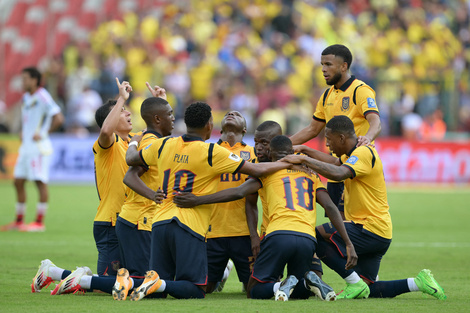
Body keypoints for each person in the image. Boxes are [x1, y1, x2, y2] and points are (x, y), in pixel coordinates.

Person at [122, 102, 294, 300]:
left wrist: (135, 141)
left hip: (161, 221)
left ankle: (133, 282)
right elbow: (257, 172)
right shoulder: (212, 152)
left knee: (159, 291)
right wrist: (295, 160)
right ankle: (157, 282)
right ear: (210, 126)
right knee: (197, 289)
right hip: (192, 225)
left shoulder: (164, 145)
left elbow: (132, 160)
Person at [173, 135, 357, 301]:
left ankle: (281, 285)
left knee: (254, 290)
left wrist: (198, 200)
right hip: (307, 239)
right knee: (298, 293)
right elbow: (331, 207)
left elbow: (238, 192)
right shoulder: (311, 175)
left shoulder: (267, 172)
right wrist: (348, 243)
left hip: (279, 235)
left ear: (270, 153)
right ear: (292, 153)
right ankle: (307, 283)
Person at [283, 115, 446, 300]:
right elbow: (335, 163)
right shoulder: (352, 154)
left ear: (342, 138)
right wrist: (305, 149)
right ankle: (418, 283)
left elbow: (339, 173)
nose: (328, 144)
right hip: (380, 232)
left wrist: (304, 161)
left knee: (315, 236)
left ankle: (353, 283)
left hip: (367, 227)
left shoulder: (362, 153)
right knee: (370, 290)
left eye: (329, 139)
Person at [31, 83, 172, 298]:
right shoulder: (108, 143)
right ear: (112, 119)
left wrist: (161, 102)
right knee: (107, 284)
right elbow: (106, 130)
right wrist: (121, 99)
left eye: (126, 110)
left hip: (133, 222)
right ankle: (56, 272)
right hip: (110, 223)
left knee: (133, 279)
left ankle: (60, 273)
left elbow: (161, 131)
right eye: (123, 112)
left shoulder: (134, 141)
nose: (128, 114)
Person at [290, 44, 382, 217]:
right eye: (322, 64)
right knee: (336, 226)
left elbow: (375, 121)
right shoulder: (326, 95)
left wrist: (367, 138)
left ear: (343, 66)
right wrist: (282, 145)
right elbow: (312, 129)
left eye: (328, 64)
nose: (323, 69)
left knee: (354, 223)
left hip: (355, 167)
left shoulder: (360, 91)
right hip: (335, 167)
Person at [1, 67, 64, 232]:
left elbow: (58, 118)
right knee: (18, 182)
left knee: (39, 182)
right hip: (26, 147)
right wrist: (24, 131)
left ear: (35, 80)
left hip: (38, 148)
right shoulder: (26, 98)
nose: (23, 82)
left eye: (25, 79)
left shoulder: (43, 96)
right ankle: (19, 220)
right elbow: (30, 120)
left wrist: (43, 133)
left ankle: (39, 222)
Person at [204, 111, 256, 294]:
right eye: (228, 113)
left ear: (244, 128)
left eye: (237, 114)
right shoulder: (208, 151)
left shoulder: (253, 153)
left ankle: (230, 272)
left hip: (243, 231)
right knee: (206, 289)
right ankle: (223, 274)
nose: (231, 113)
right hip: (212, 230)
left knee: (252, 289)